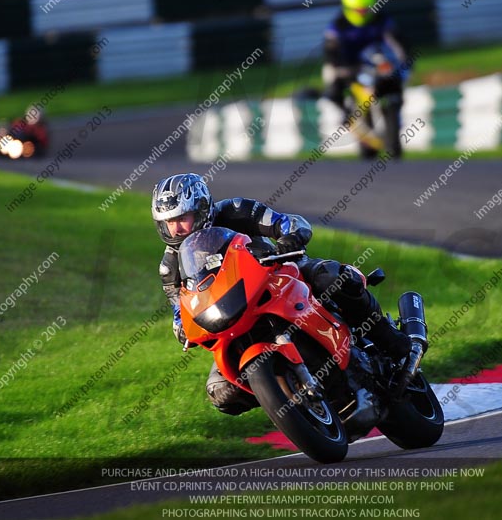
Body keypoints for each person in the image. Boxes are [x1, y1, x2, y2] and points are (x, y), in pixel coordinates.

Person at [152, 173, 420, 415]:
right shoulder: (170, 267)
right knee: (220, 391)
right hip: (232, 314)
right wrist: (180, 326)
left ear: (201, 210)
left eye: (181, 219)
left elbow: (288, 222)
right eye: (168, 223)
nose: (175, 229)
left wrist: (288, 237)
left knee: (333, 278)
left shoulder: (236, 210)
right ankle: (285, 395)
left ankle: (391, 341)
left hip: (279, 275)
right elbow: (180, 307)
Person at [323, 0, 409, 158]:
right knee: (332, 89)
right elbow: (330, 54)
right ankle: (346, 112)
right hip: (348, 67)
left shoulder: (382, 20)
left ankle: (393, 126)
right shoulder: (337, 26)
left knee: (395, 85)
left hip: (377, 63)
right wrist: (340, 70)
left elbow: (400, 45)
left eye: (367, 9)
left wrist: (403, 64)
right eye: (359, 10)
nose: (363, 13)